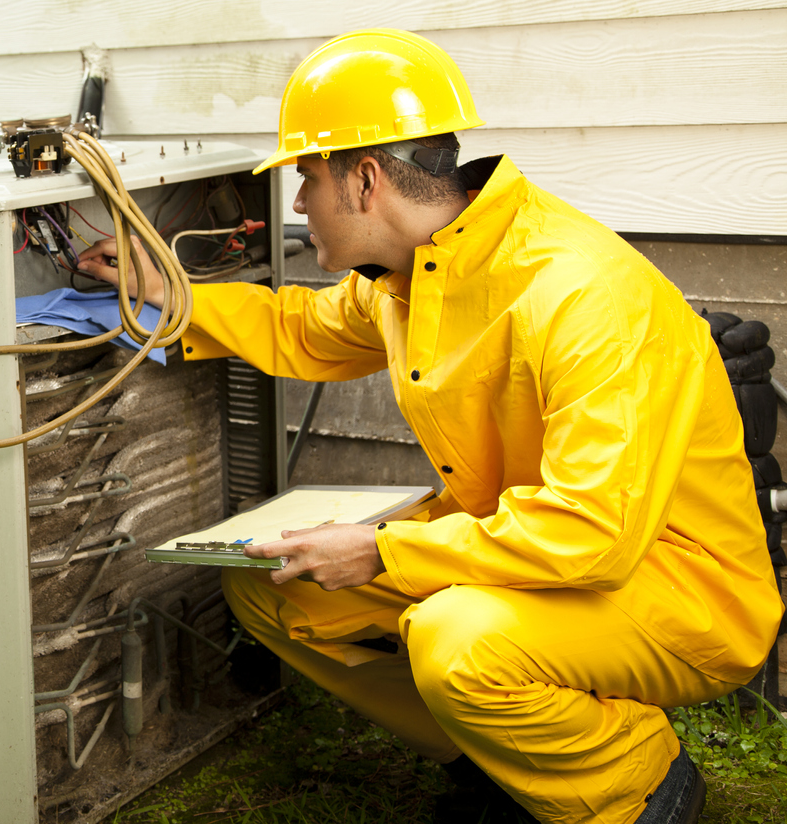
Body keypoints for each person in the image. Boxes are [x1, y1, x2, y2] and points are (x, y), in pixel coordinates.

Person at [77, 29, 783, 824]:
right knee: (275, 590)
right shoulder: (414, 274)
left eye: (306, 178)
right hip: (531, 551)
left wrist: (380, 550)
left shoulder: (583, 295)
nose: (300, 203)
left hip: (671, 586)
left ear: (366, 180)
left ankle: (639, 788)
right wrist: (161, 290)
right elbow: (304, 332)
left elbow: (592, 531)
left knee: (458, 642)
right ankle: (499, 759)